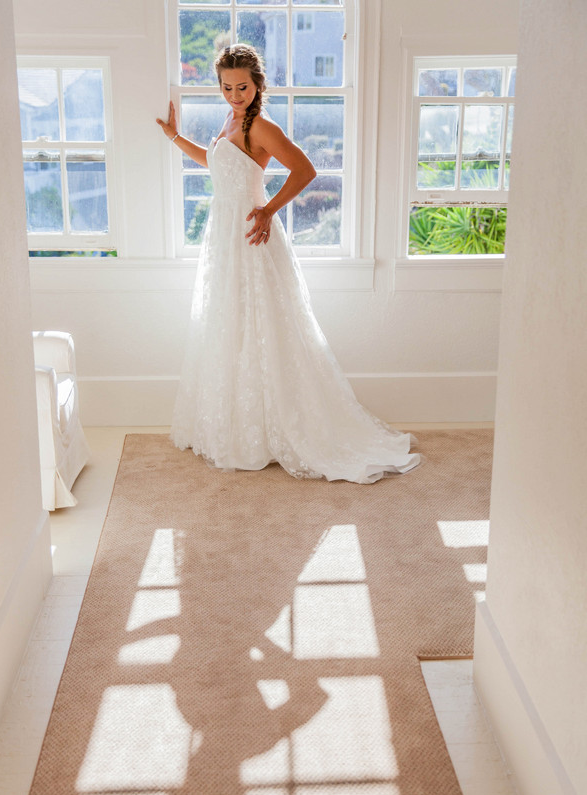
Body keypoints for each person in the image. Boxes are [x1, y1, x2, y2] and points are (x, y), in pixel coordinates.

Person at [156, 43, 420, 483]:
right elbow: (216, 165)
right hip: (224, 238)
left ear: (258, 84)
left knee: (262, 328)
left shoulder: (261, 125)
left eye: (242, 86)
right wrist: (174, 137)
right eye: (226, 87)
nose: (234, 94)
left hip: (250, 236)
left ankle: (276, 430)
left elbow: (305, 170)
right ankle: (244, 429)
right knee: (231, 327)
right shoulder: (230, 120)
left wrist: (268, 209)